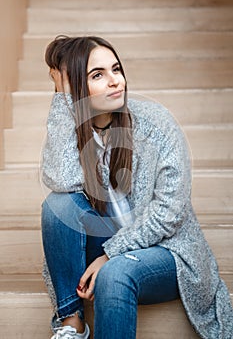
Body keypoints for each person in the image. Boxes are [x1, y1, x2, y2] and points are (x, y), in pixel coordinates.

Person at [41, 35, 233, 339]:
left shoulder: (156, 123)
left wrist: (109, 255)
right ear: (78, 87)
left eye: (116, 69)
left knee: (115, 273)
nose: (115, 81)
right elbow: (61, 181)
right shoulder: (76, 130)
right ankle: (70, 322)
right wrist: (64, 95)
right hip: (109, 241)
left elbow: (169, 213)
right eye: (98, 75)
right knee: (57, 204)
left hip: (166, 251)